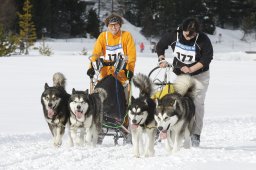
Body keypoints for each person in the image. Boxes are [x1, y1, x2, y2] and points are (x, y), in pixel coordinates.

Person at [156, 17, 213, 147]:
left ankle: (195, 135)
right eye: (187, 33)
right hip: (181, 75)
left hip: (200, 76)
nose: (188, 36)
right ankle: (172, 131)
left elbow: (207, 58)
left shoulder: (203, 39)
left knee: (197, 103)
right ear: (182, 30)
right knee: (176, 102)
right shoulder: (173, 35)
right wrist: (161, 59)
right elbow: (160, 46)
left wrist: (191, 68)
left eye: (192, 34)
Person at [87, 13, 136, 89]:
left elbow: (132, 56)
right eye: (111, 25)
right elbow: (96, 53)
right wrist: (91, 68)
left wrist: (130, 70)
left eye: (116, 25)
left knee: (124, 98)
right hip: (105, 76)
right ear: (107, 26)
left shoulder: (126, 36)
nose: (113, 27)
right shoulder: (103, 36)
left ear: (119, 25)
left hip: (122, 76)